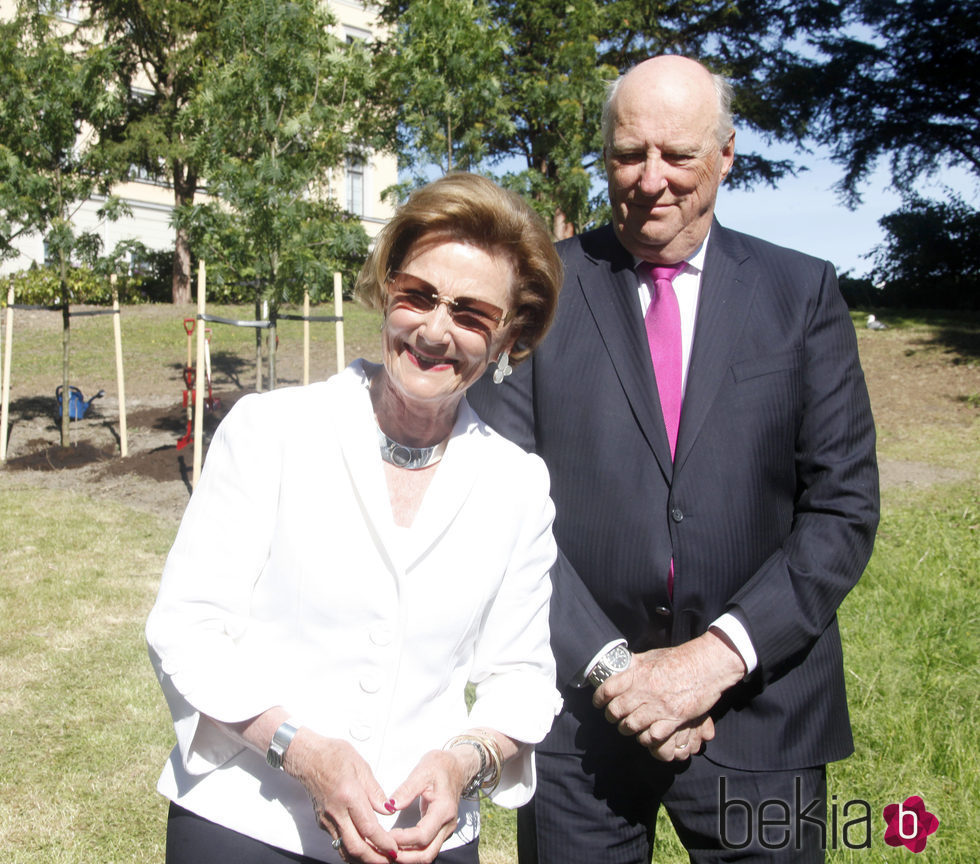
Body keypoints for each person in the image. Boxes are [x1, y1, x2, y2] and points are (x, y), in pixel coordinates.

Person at [468, 56, 880, 862]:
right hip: (580, 717)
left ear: (726, 153)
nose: (651, 179)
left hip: (763, 714)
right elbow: (493, 501)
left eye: (678, 154)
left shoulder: (800, 294)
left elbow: (842, 508)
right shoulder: (541, 289)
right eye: (628, 154)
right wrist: (618, 669)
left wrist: (715, 658)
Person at [145, 172, 564, 864]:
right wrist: (301, 751)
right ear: (388, 287)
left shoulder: (517, 486)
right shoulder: (271, 431)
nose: (433, 330)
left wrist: (465, 763)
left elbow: (520, 674)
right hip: (245, 826)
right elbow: (189, 629)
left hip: (422, 841)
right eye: (418, 296)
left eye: (470, 314)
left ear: (508, 335)